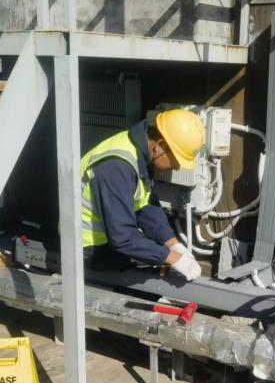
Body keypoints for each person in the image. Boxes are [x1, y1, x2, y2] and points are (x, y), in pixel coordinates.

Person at [80, 108, 204, 281]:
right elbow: (123, 237)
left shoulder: (139, 154)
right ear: (160, 145)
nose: (176, 167)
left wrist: (172, 244)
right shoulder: (116, 167)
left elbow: (145, 205)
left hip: (108, 243)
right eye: (176, 160)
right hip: (85, 250)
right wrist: (172, 258)